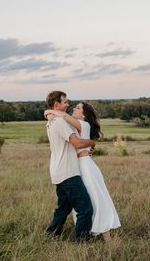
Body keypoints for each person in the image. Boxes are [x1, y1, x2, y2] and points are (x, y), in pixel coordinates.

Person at [45, 100, 121, 242]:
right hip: (76, 166)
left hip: (85, 167)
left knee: (96, 199)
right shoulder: (74, 126)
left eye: (78, 108)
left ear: (84, 115)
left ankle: (106, 236)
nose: (74, 108)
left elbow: (65, 117)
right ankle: (90, 232)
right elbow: (62, 119)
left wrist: (49, 112)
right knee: (80, 202)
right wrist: (48, 114)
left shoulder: (84, 125)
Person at [45, 91, 95, 242]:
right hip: (68, 172)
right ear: (56, 104)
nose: (68, 104)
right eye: (65, 102)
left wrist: (47, 113)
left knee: (64, 208)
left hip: (58, 170)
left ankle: (51, 235)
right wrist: (92, 143)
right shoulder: (59, 122)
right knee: (85, 208)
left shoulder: (52, 120)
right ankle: (82, 240)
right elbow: (77, 143)